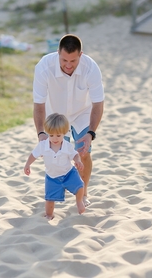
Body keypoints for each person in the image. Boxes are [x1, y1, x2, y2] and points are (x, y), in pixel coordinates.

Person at [33, 34, 104, 207]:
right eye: (64, 60)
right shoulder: (44, 67)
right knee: (57, 156)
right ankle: (57, 195)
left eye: (73, 61)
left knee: (83, 152)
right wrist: (41, 133)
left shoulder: (91, 68)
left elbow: (98, 104)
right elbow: (39, 105)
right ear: (58, 53)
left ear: (81, 55)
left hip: (82, 113)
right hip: (55, 115)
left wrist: (90, 133)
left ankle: (83, 193)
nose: (68, 65)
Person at [24, 113, 86, 220]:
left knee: (80, 186)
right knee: (49, 199)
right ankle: (49, 215)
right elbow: (33, 154)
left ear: (64, 133)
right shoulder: (43, 145)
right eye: (51, 135)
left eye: (58, 135)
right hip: (52, 177)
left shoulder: (66, 146)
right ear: (47, 133)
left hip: (68, 173)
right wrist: (27, 164)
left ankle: (79, 201)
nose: (55, 138)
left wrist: (78, 161)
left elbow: (74, 154)